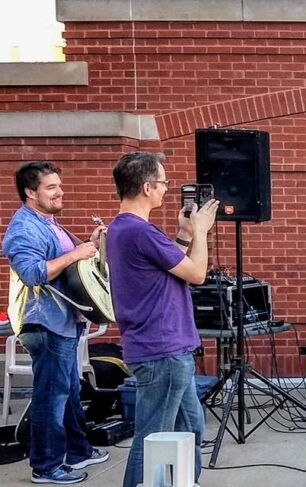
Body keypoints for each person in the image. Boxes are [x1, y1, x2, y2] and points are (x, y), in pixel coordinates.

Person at [105, 151, 218, 487]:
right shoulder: (139, 231)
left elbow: (170, 264)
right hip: (162, 351)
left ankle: (186, 481)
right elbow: (197, 274)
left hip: (166, 349)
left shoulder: (124, 229)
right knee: (153, 440)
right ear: (147, 187)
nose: (167, 189)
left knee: (190, 429)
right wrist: (202, 231)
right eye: (163, 183)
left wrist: (185, 234)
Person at [3, 161, 109, 484]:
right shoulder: (23, 228)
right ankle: (46, 466)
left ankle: (77, 451)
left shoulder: (48, 222)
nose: (60, 192)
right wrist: (76, 254)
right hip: (43, 324)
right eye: (51, 187)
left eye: (59, 185)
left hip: (61, 321)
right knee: (52, 395)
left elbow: (68, 262)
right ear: (30, 192)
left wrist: (89, 244)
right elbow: (32, 273)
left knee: (69, 389)